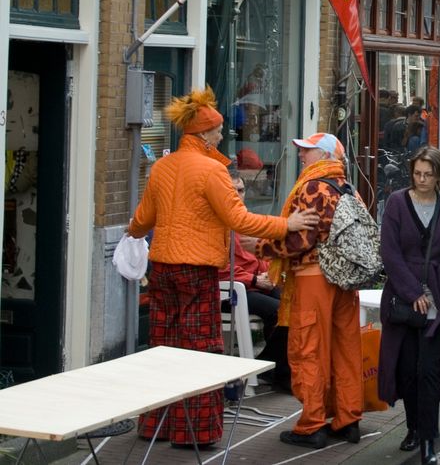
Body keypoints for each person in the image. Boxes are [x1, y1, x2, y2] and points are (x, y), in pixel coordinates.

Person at [127, 88, 318, 448]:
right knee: (201, 349)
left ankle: (156, 425)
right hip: (197, 269)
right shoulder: (212, 170)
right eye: (216, 131)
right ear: (202, 134)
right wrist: (286, 226)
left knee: (164, 347)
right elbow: (238, 218)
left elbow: (144, 218)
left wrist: (132, 233)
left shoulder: (162, 166)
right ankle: (194, 432)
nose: (220, 135)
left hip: (162, 268)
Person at [249, 133, 364, 449]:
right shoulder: (349, 189)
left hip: (314, 280)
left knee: (308, 348)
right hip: (345, 282)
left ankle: (312, 424)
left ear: (324, 156)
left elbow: (300, 240)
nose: (301, 156)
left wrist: (260, 246)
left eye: (307, 151)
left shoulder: (313, 188)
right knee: (345, 349)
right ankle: (347, 419)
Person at [378, 147, 440, 464]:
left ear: (439, 176)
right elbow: (390, 253)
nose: (422, 180)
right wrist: (413, 293)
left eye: (428, 174)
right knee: (407, 370)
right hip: (403, 299)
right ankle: (413, 427)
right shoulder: (398, 203)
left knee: (429, 371)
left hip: (438, 298)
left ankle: (428, 441)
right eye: (417, 174)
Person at [219, 170, 288, 389]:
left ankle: (274, 368)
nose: (239, 195)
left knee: (294, 306)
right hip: (232, 290)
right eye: (233, 190)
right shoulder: (217, 223)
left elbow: (260, 256)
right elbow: (219, 267)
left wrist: (268, 274)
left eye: (241, 189)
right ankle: (274, 370)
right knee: (279, 310)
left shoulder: (246, 219)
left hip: (256, 284)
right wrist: (255, 279)